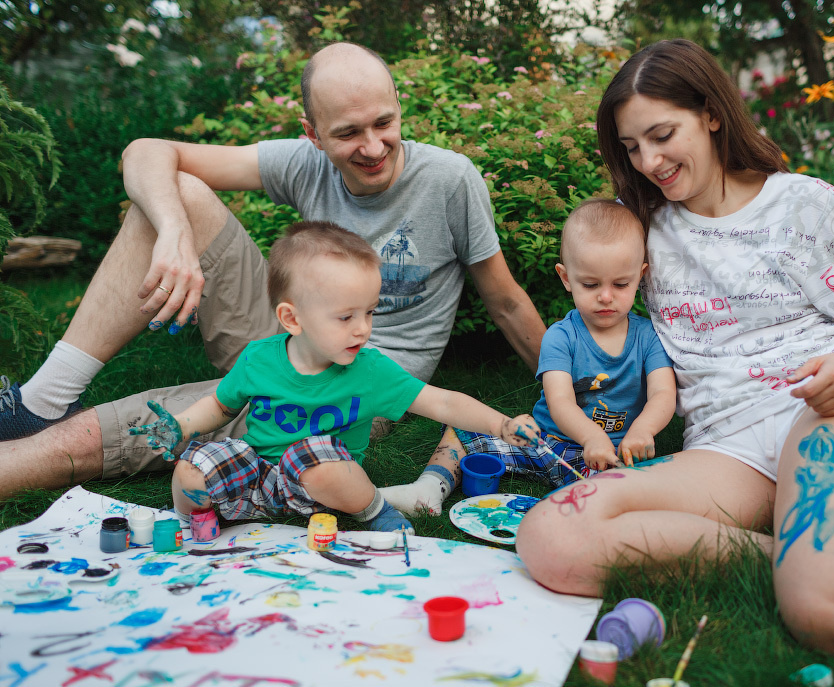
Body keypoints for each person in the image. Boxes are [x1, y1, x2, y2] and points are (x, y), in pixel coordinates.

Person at [514, 39, 834, 654]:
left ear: (711, 114)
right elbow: (589, 269)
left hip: (830, 411)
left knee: (833, 616)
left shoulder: (804, 206)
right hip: (725, 446)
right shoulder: (641, 223)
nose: (649, 161)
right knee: (551, 538)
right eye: (631, 147)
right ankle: (801, 563)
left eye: (662, 135)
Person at [0, 42, 545, 500]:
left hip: (354, 378)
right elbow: (145, 152)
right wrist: (174, 232)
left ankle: (37, 439)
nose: (373, 147)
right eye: (348, 133)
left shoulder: (451, 180)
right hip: (286, 331)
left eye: (384, 123)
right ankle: (45, 398)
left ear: (399, 106)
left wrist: (565, 397)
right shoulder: (303, 163)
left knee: (104, 434)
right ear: (313, 133)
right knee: (175, 192)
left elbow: (506, 302)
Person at [131, 220, 541, 534]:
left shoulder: (369, 370)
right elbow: (220, 406)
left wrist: (500, 425)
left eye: (369, 312)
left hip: (326, 487)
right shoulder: (259, 359)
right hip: (258, 478)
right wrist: (181, 424)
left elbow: (443, 402)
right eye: (346, 317)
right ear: (292, 319)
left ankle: (374, 511)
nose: (363, 329)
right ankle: (194, 523)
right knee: (191, 469)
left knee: (311, 454)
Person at [383, 199, 676, 514]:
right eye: (590, 284)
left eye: (621, 284)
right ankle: (428, 489)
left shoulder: (648, 337)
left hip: (611, 455)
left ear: (641, 275)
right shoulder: (561, 337)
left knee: (630, 485)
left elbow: (663, 393)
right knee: (464, 429)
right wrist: (591, 437)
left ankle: (592, 507)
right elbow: (560, 401)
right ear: (566, 278)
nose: (606, 296)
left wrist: (643, 430)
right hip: (546, 444)